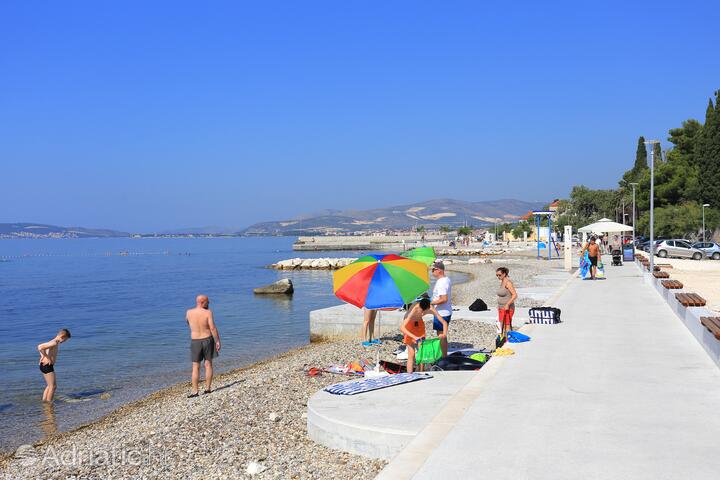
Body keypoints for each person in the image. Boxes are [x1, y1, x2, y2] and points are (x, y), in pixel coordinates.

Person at [186, 295, 221, 398]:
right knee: (208, 365)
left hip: (195, 341)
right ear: (202, 302)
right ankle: (207, 389)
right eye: (207, 302)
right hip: (207, 339)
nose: (208, 304)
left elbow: (188, 322)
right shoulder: (208, 312)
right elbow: (213, 328)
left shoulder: (189, 312)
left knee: (195, 367)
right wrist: (217, 341)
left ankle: (195, 391)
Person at [400, 297, 446, 373]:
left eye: (424, 312)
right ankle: (409, 375)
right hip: (408, 325)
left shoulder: (430, 307)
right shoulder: (415, 308)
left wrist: (444, 334)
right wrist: (415, 337)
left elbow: (443, 322)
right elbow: (402, 328)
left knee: (422, 351)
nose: (422, 313)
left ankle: (421, 371)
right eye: (421, 311)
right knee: (411, 354)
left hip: (419, 325)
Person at [37, 328, 72, 402]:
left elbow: (40, 347)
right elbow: (40, 347)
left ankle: (44, 401)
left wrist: (42, 356)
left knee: (49, 386)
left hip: (44, 365)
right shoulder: (54, 342)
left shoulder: (53, 341)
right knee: (53, 386)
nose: (64, 342)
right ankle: (49, 403)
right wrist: (46, 357)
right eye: (65, 340)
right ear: (62, 336)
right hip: (47, 366)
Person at [430, 260, 452, 358]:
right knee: (441, 335)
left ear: (439, 270)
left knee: (441, 336)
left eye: (433, 270)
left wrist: (430, 303)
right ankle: (443, 355)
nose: (432, 272)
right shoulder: (446, 279)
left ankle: (443, 358)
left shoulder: (442, 282)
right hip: (444, 311)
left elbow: (443, 299)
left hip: (441, 313)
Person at [495, 267, 517, 341]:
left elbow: (514, 295)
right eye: (497, 275)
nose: (498, 277)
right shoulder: (502, 282)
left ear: (504, 274)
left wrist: (507, 304)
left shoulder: (508, 283)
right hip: (501, 308)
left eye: (499, 275)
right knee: (500, 324)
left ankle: (509, 341)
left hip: (508, 308)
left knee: (507, 325)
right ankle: (503, 340)